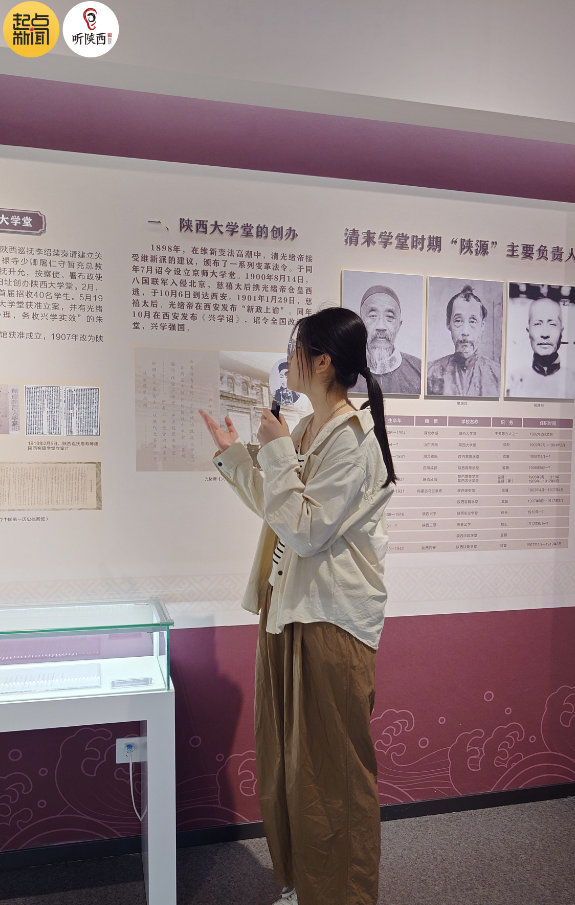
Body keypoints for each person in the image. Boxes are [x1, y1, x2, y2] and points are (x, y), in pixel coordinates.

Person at [199, 307, 396, 905]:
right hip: (290, 611)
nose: (288, 360)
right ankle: (310, 886)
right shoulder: (313, 427)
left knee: (334, 772)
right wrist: (237, 456)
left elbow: (307, 532)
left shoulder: (351, 439)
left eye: (295, 349)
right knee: (293, 765)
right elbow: (283, 512)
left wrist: (278, 450)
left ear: (322, 362)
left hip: (330, 620)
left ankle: (344, 894)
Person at [427, 284, 500, 396]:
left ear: (482, 326)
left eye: (472, 321)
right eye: (458, 321)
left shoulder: (498, 375)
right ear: (448, 324)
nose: (465, 332)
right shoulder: (432, 374)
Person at [353, 285, 421, 394]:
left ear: (399, 326)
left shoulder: (419, 370)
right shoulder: (344, 371)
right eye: (372, 316)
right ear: (360, 323)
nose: (381, 326)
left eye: (389, 317)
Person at [506, 297, 575, 398]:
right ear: (528, 331)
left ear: (561, 331)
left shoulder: (572, 380)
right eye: (537, 324)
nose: (545, 334)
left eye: (552, 324)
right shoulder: (513, 383)